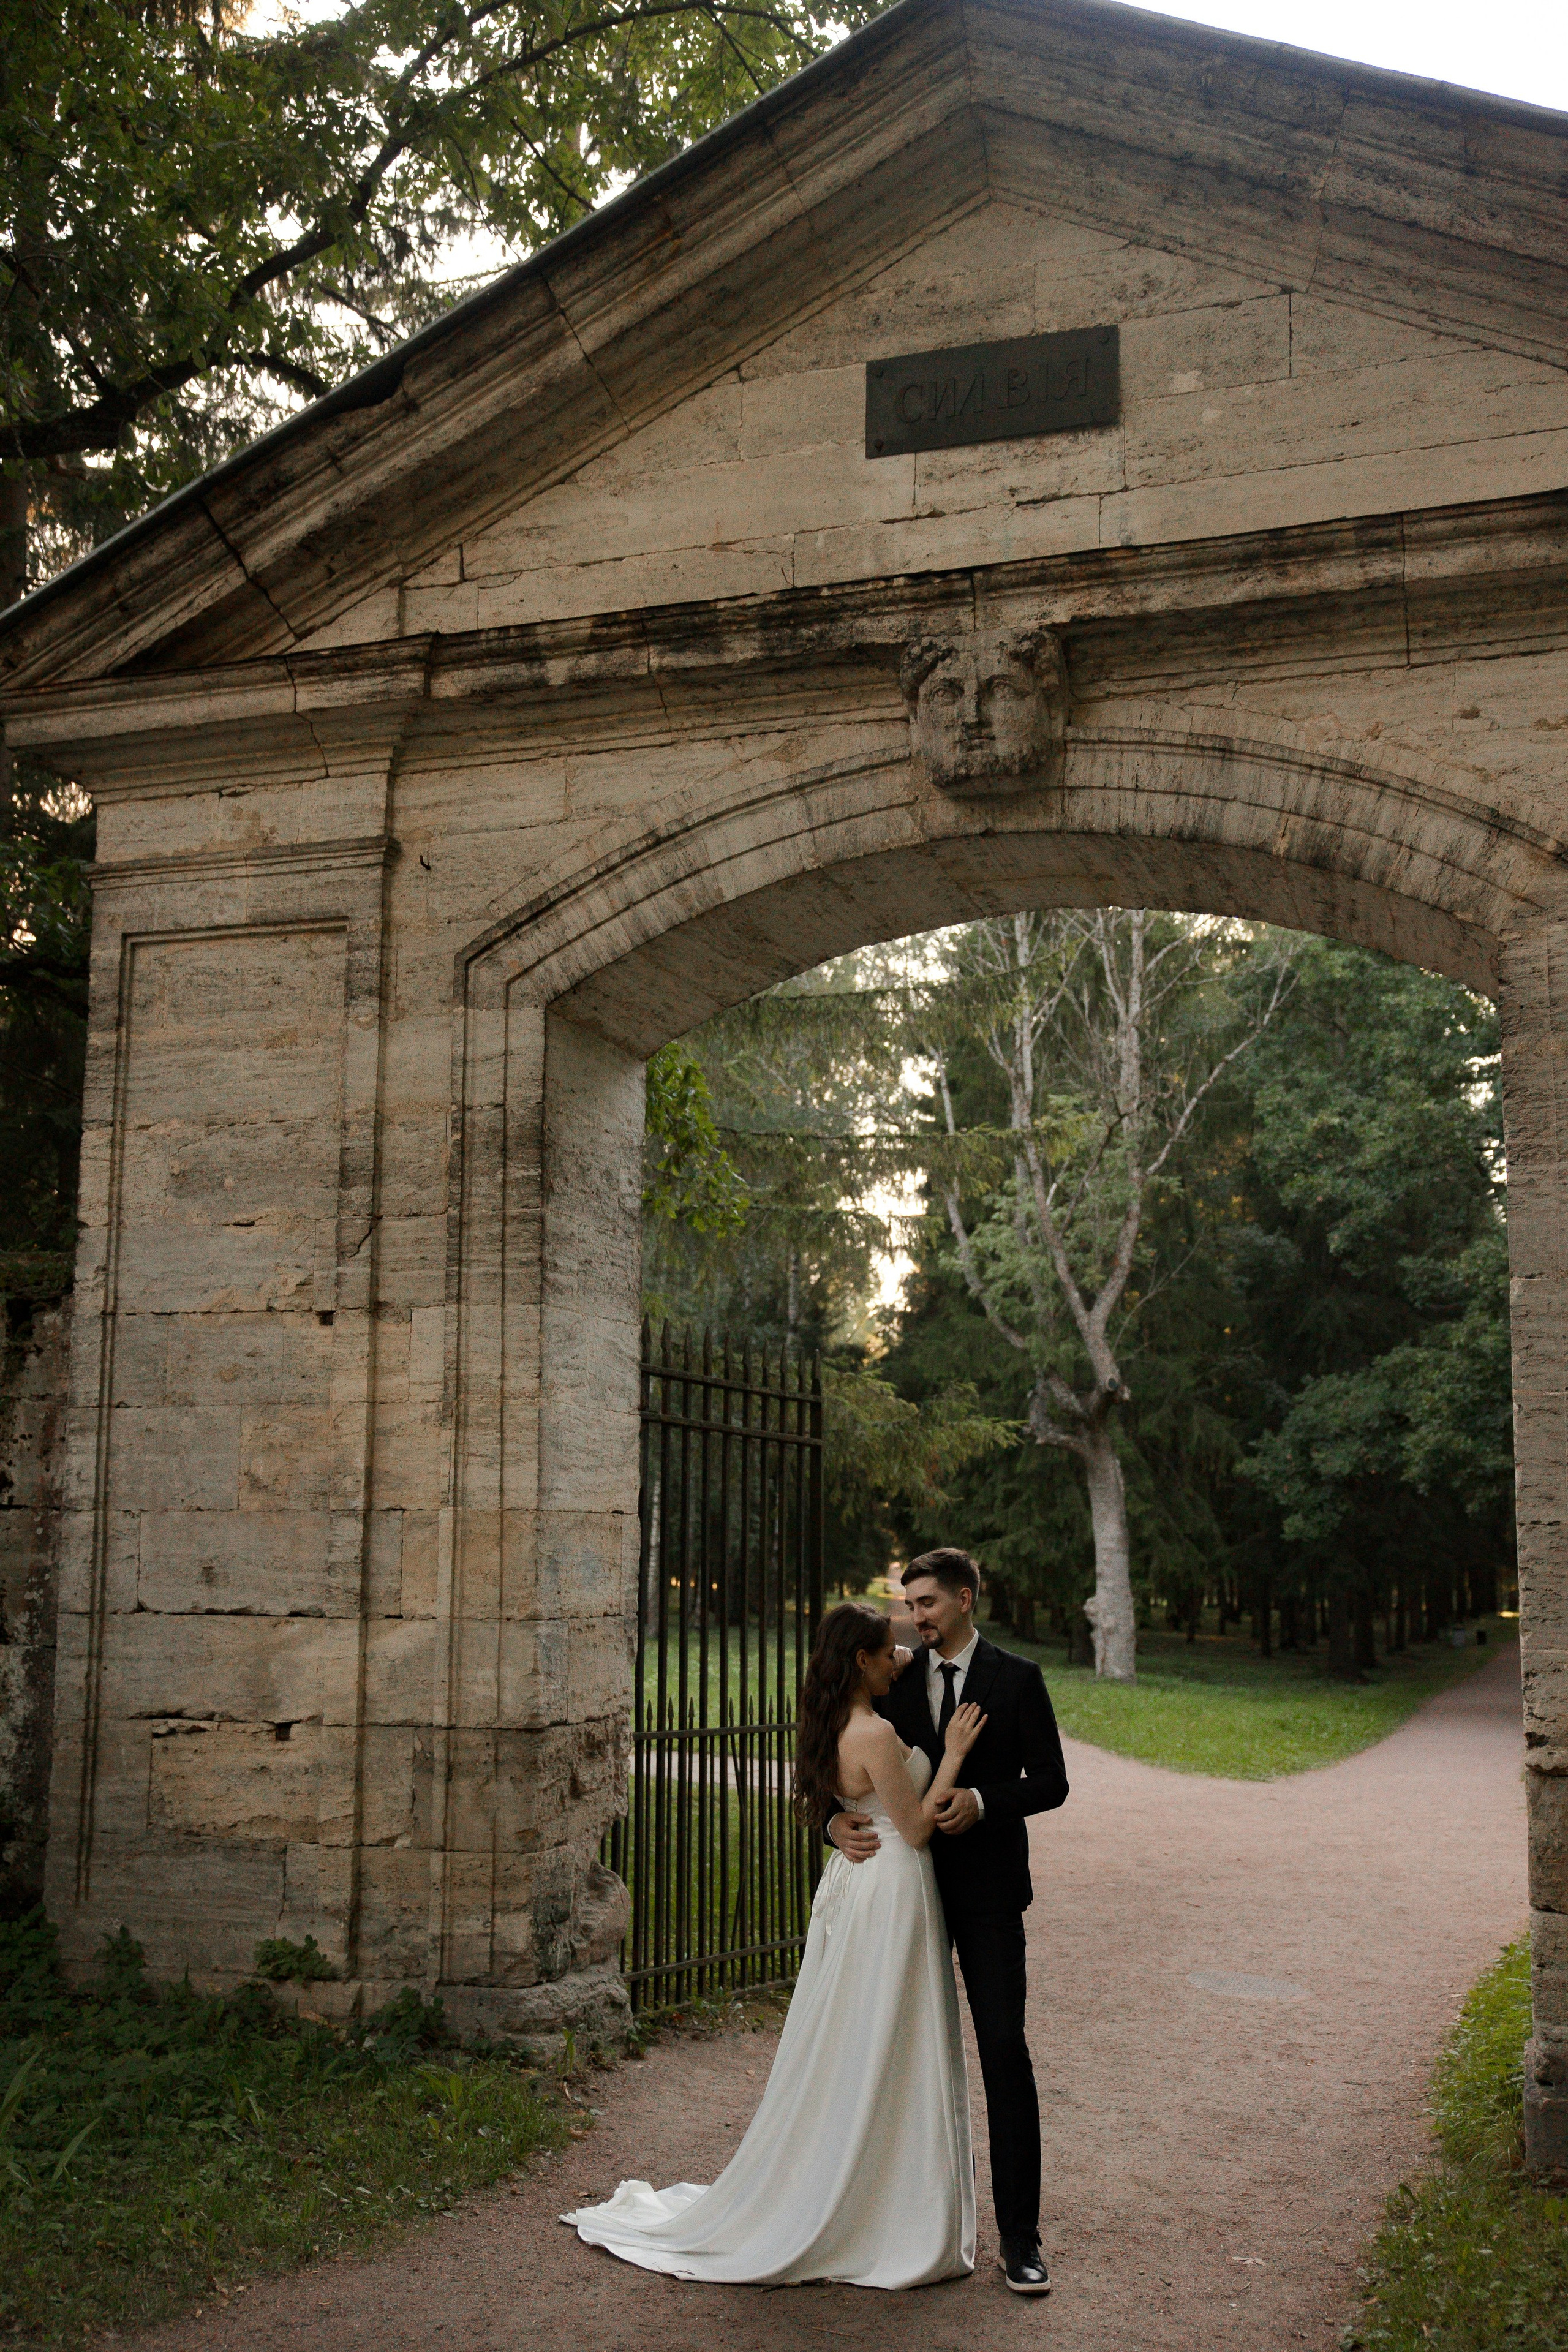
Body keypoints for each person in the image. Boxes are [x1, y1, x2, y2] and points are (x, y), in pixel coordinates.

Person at [560, 1600, 987, 2287]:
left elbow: (889, 1670)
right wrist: (956, 1757)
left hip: (856, 1885)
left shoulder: (830, 1720)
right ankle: (880, 2204)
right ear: (860, 1662)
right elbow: (913, 1829)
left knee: (857, 2030)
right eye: (885, 1655)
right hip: (891, 1887)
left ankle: (863, 2182)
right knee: (887, 2030)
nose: (895, 1662)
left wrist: (905, 1653)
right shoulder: (873, 1733)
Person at [827, 1547, 1068, 2294]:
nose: (916, 1617)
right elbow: (841, 1761)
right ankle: (885, 2222)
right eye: (910, 1604)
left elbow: (1052, 1782)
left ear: (965, 1599)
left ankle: (1020, 2240)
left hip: (989, 1896)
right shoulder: (892, 1678)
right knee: (894, 2057)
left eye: (927, 1603)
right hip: (904, 1900)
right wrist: (831, 1825)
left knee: (1002, 2050)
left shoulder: (1018, 1678)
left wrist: (985, 1802)